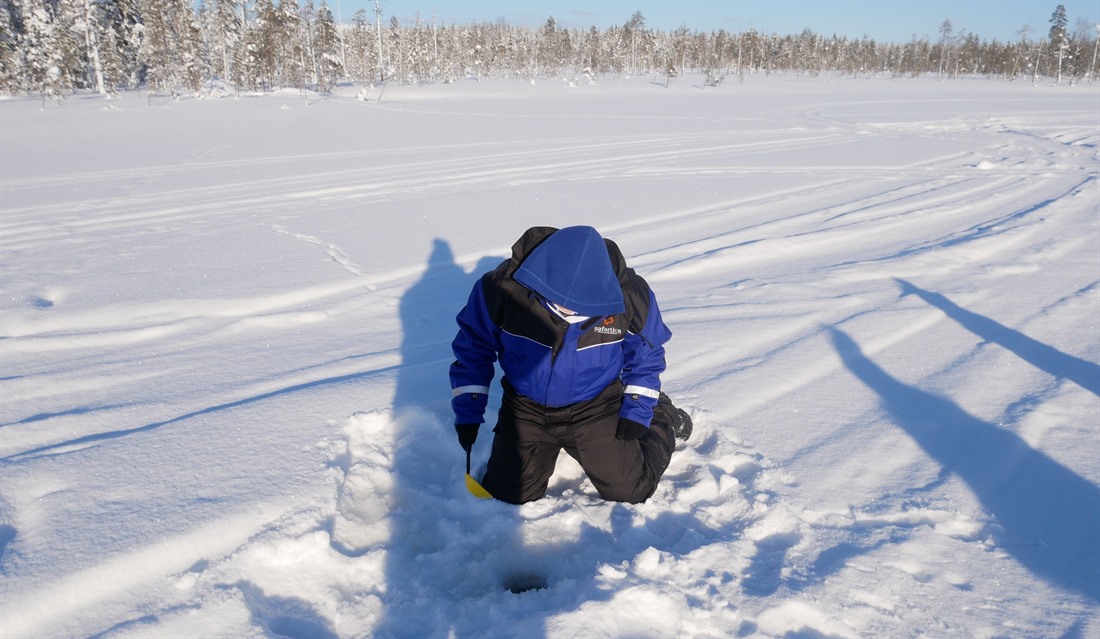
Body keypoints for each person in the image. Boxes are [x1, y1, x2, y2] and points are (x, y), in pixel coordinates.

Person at [449, 225, 692, 505]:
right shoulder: (502, 289)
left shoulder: (628, 296)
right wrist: (468, 410)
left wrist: (638, 409)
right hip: (525, 408)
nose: (569, 311)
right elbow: (474, 349)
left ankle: (663, 416)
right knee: (507, 497)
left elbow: (647, 355)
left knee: (630, 491)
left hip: (595, 407)